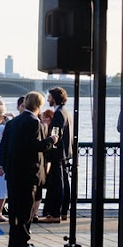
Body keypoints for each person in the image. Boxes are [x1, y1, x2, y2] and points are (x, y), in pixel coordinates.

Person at [0, 92, 46, 247]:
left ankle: (13, 239)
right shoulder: (34, 122)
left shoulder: (13, 122)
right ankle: (23, 240)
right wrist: (51, 141)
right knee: (26, 208)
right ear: (39, 105)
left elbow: (4, 146)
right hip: (28, 172)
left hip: (13, 172)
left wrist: (2, 165)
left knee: (14, 208)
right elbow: (35, 146)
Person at [41, 86, 72, 222]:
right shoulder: (66, 112)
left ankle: (54, 214)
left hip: (58, 153)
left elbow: (56, 134)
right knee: (64, 181)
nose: (48, 99)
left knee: (57, 183)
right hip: (66, 152)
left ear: (54, 98)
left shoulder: (58, 113)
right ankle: (64, 211)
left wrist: (49, 147)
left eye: (49, 97)